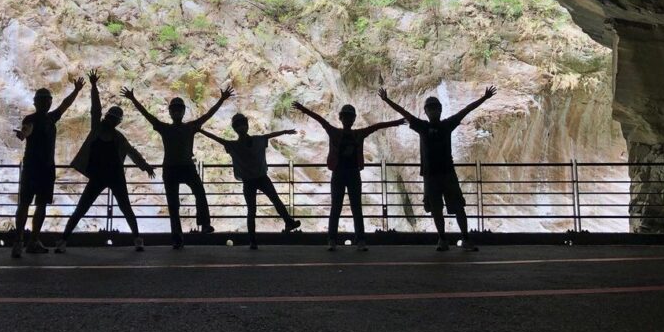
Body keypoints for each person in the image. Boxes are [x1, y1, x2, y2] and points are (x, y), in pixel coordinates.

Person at [378, 86, 497, 252]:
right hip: (432, 175)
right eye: (430, 108)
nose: (433, 111)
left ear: (439, 110)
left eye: (435, 108)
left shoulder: (444, 125)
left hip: (445, 173)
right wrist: (386, 100)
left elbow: (466, 110)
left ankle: (464, 238)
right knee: (436, 209)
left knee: (456, 207)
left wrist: (484, 98)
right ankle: (443, 239)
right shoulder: (425, 126)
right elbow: (404, 112)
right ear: (426, 112)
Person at [121, 85, 235, 249]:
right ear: (171, 112)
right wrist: (133, 99)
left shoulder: (182, 127)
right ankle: (180, 236)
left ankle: (200, 226)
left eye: (178, 109)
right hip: (176, 169)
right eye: (174, 110)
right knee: (175, 204)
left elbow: (208, 115)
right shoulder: (178, 127)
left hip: (180, 168)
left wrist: (221, 100)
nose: (176, 112)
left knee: (195, 195)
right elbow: (147, 115)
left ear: (181, 112)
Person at [55, 70, 155, 254]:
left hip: (109, 176)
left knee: (121, 208)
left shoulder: (111, 136)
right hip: (104, 176)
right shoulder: (103, 132)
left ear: (115, 121)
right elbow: (96, 109)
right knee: (85, 209)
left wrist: (145, 166)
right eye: (111, 117)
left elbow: (133, 153)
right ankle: (63, 240)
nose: (110, 120)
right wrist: (93, 86)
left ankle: (137, 239)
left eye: (112, 118)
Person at [291, 100, 405, 251]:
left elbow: (377, 126)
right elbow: (320, 119)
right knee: (341, 208)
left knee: (352, 208)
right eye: (346, 117)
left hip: (349, 174)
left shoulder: (350, 133)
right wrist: (303, 109)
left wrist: (396, 122)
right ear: (341, 118)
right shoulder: (342, 133)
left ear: (352, 119)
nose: (348, 119)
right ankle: (340, 240)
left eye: (350, 117)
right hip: (343, 174)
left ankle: (352, 240)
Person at [199, 113, 301, 249]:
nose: (241, 127)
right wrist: (285, 132)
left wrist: (200, 130)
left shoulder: (234, 145)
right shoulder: (257, 141)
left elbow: (218, 139)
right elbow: (270, 135)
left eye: (242, 124)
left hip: (251, 180)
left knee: (255, 209)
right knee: (270, 202)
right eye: (239, 125)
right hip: (259, 178)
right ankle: (285, 223)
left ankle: (254, 240)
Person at [12, 76, 84, 258]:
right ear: (36, 102)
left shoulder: (51, 118)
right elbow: (27, 130)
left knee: (32, 204)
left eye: (47, 100)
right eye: (43, 100)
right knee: (34, 204)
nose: (45, 103)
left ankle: (25, 241)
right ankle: (26, 240)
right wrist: (23, 134)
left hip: (38, 168)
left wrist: (76, 91)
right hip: (40, 168)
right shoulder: (34, 119)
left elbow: (65, 105)